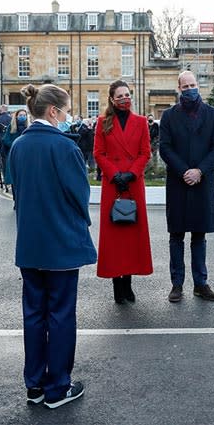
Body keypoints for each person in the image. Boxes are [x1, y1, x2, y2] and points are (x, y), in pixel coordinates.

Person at [9, 83, 96, 409]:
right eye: (66, 110)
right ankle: (58, 386)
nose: (68, 116)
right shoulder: (65, 147)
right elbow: (80, 195)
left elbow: (15, 188)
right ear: (53, 111)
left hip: (30, 243)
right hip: (60, 242)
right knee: (60, 315)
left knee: (34, 315)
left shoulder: (19, 145)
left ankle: (35, 385)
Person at [159, 70, 214, 303]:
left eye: (192, 85)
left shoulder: (213, 114)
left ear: (199, 86)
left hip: (202, 182)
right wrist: (184, 171)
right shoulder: (168, 116)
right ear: (179, 89)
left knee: (199, 236)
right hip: (178, 183)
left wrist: (199, 171)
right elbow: (164, 148)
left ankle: (201, 284)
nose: (189, 90)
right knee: (176, 236)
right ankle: (177, 284)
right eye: (185, 87)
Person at [93, 80, 153, 304]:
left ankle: (128, 284)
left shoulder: (140, 122)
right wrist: (115, 174)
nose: (124, 99)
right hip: (113, 184)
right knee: (115, 237)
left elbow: (145, 152)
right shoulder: (102, 122)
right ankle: (117, 286)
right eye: (119, 96)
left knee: (131, 237)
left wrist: (131, 174)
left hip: (133, 184)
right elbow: (99, 153)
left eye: (127, 95)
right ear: (111, 99)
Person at [2, 109, 29, 195]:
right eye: (20, 115)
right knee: (14, 177)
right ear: (16, 116)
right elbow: (6, 139)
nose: (22, 117)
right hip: (14, 153)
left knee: (24, 178)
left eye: (24, 115)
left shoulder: (28, 127)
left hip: (25, 154)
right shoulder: (11, 126)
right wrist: (15, 144)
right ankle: (15, 198)